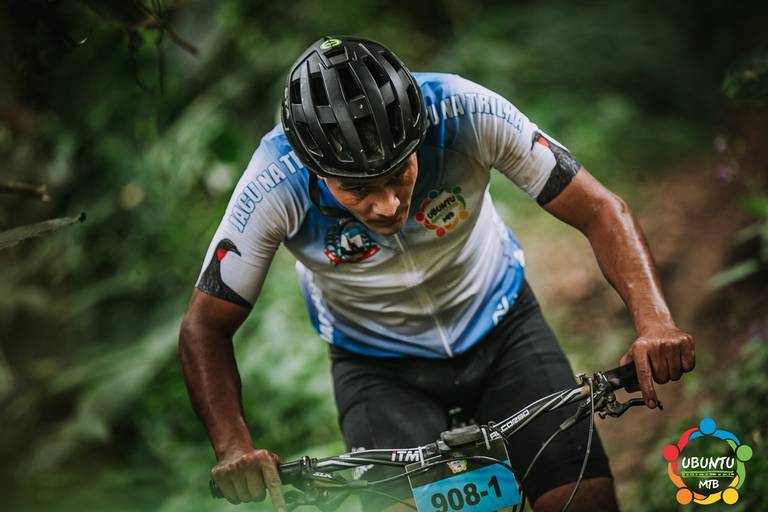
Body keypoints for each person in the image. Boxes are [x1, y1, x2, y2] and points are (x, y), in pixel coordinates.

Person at [178, 35, 695, 512]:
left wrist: (654, 321)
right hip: (377, 366)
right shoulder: (274, 181)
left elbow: (599, 209)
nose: (387, 205)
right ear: (312, 168)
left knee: (585, 501)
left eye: (398, 174)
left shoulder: (463, 110)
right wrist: (233, 445)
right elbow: (205, 324)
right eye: (358, 188)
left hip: (503, 325)